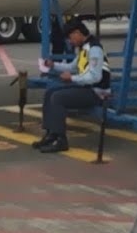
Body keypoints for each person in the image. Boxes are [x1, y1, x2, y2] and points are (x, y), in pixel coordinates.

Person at [31, 20, 111, 153]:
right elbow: (72, 67)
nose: (70, 41)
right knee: (50, 93)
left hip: (97, 92)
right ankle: (51, 134)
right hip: (87, 89)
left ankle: (61, 140)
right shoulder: (84, 49)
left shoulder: (94, 49)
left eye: (70, 37)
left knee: (58, 98)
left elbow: (95, 77)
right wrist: (53, 66)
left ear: (78, 33)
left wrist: (72, 78)